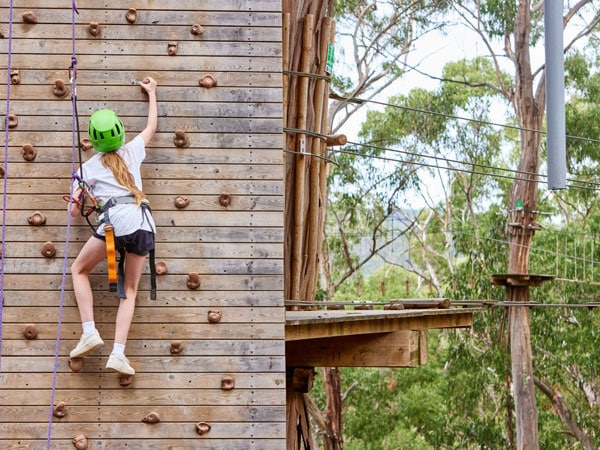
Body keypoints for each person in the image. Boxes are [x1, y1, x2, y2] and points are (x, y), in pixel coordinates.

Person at [68, 76, 158, 375]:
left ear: (93, 140)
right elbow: (151, 127)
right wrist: (152, 93)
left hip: (115, 223)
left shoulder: (86, 169)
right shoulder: (132, 150)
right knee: (129, 288)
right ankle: (118, 353)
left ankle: (90, 331)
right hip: (144, 222)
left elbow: (73, 212)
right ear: (119, 132)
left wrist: (79, 197)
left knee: (78, 270)